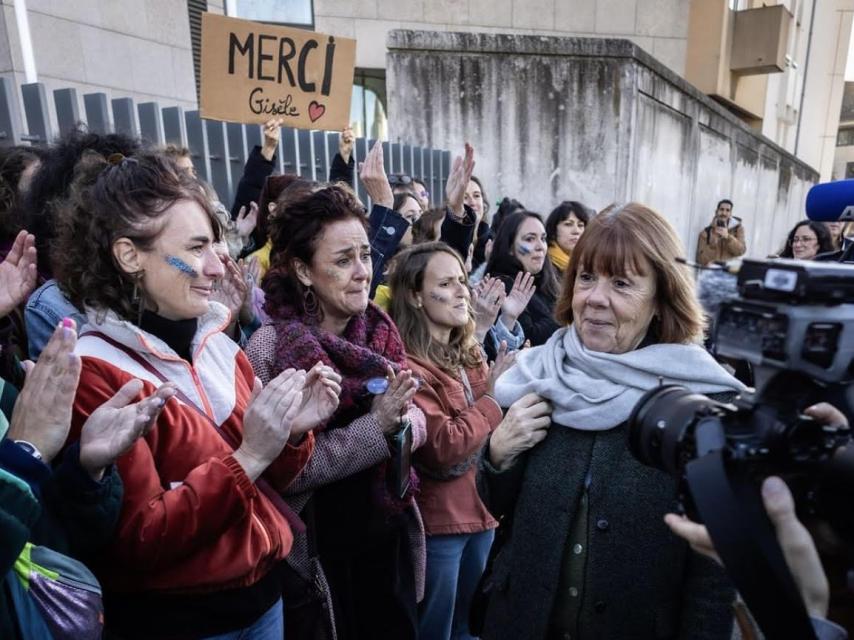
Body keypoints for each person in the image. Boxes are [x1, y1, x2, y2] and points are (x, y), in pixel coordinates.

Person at [52, 151, 335, 639]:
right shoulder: (95, 370)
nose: (216, 266)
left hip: (264, 600)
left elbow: (268, 484)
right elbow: (141, 539)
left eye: (215, 244)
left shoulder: (219, 344)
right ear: (129, 256)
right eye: (196, 247)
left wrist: (288, 435)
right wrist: (249, 455)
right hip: (184, 622)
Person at [477, 202, 746, 640]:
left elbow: (713, 575)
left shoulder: (704, 404)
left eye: (621, 283)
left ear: (661, 298)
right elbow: (497, 507)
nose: (595, 298)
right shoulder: (539, 373)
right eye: (586, 277)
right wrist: (497, 455)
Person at [246, 182, 427, 640]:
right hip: (320, 563)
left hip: (387, 549)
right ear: (303, 270)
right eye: (344, 261)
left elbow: (416, 417)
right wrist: (377, 428)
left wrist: (405, 422)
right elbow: (278, 473)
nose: (363, 272)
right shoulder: (270, 348)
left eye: (365, 255)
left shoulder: (380, 331)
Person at [388, 242, 537, 640]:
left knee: (472, 629)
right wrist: (492, 399)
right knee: (436, 631)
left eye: (461, 281)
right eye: (446, 284)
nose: (461, 291)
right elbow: (443, 446)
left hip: (483, 510)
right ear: (416, 297)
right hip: (442, 523)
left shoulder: (467, 351)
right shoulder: (408, 365)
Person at [485, 211, 561, 346]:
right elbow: (528, 338)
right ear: (510, 247)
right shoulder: (501, 285)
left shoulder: (546, 281)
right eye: (530, 239)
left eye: (543, 239)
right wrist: (568, 315)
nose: (540, 247)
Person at [545, 200, 593, 276]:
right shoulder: (543, 266)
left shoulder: (592, 264)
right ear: (553, 230)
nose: (576, 231)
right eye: (568, 224)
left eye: (580, 225)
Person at [696, 199, 746, 266]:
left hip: (728, 270)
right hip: (712, 271)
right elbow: (701, 260)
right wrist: (714, 241)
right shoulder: (706, 233)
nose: (724, 213)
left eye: (727, 210)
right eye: (721, 209)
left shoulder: (738, 229)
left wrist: (728, 237)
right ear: (716, 211)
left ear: (731, 213)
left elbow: (740, 251)